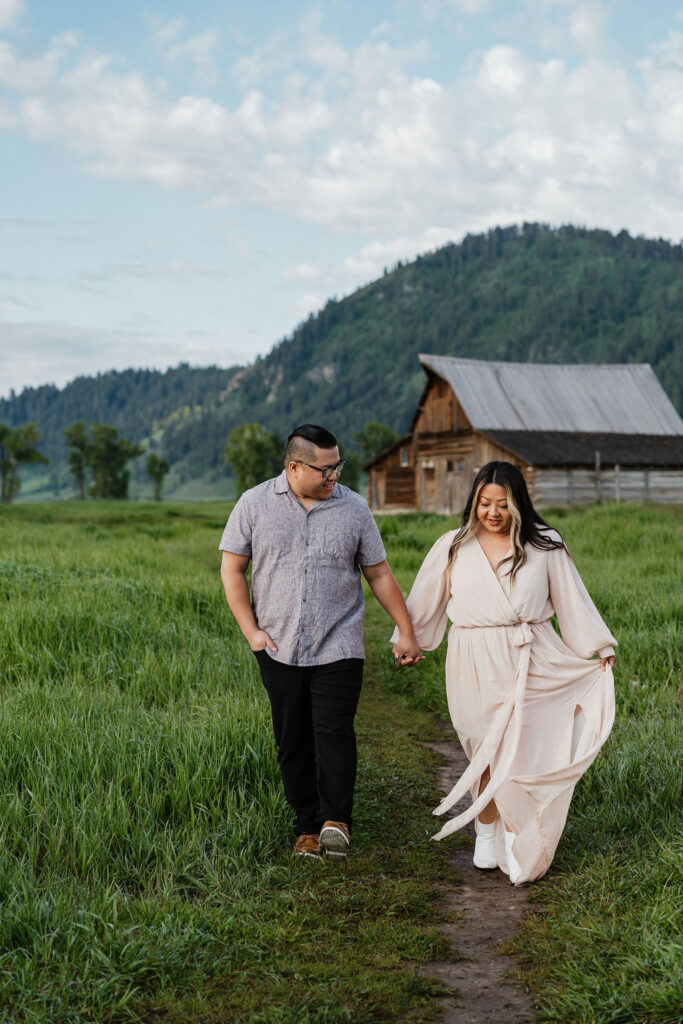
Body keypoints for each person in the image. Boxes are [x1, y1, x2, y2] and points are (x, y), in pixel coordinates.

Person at [392, 461, 616, 884]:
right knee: (483, 747)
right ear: (473, 502)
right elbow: (424, 602)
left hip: (532, 653)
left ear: (519, 504)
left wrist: (597, 647)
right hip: (472, 657)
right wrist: (409, 641)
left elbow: (572, 600)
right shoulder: (453, 545)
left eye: (503, 504)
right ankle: (486, 830)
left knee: (522, 748)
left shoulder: (545, 544)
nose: (492, 513)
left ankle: (520, 839)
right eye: (484, 503)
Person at [220, 423, 422, 861]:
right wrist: (252, 632)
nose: (335, 477)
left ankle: (336, 821)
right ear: (294, 467)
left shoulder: (354, 508)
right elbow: (232, 569)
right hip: (277, 645)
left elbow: (379, 573)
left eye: (337, 467)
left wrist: (405, 630)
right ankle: (306, 826)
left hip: (340, 642)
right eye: (325, 470)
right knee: (293, 739)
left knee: (333, 732)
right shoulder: (253, 504)